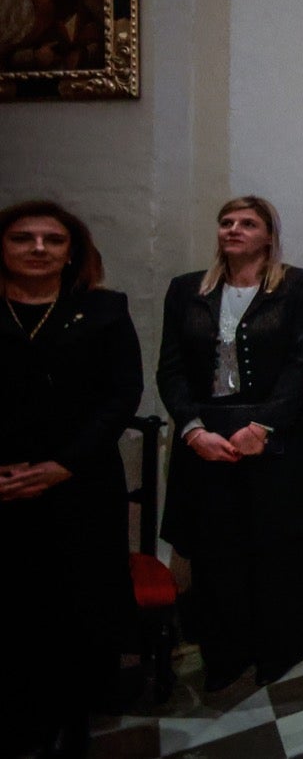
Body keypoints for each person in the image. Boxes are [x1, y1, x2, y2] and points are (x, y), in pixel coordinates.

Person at [157, 196, 303, 691]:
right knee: (217, 551)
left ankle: (277, 649)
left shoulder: (299, 286)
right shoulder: (187, 289)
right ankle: (225, 651)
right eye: (226, 222)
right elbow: (171, 368)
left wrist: (265, 426)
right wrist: (192, 429)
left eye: (247, 223)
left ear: (268, 235)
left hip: (276, 436)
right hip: (206, 435)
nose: (233, 230)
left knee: (279, 549)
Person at [0, 201, 142, 758]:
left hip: (79, 482)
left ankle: (72, 718)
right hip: (4, 484)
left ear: (71, 252)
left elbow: (120, 395)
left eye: (52, 240)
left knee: (79, 601)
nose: (38, 248)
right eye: (23, 238)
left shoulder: (103, 310)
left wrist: (64, 464)